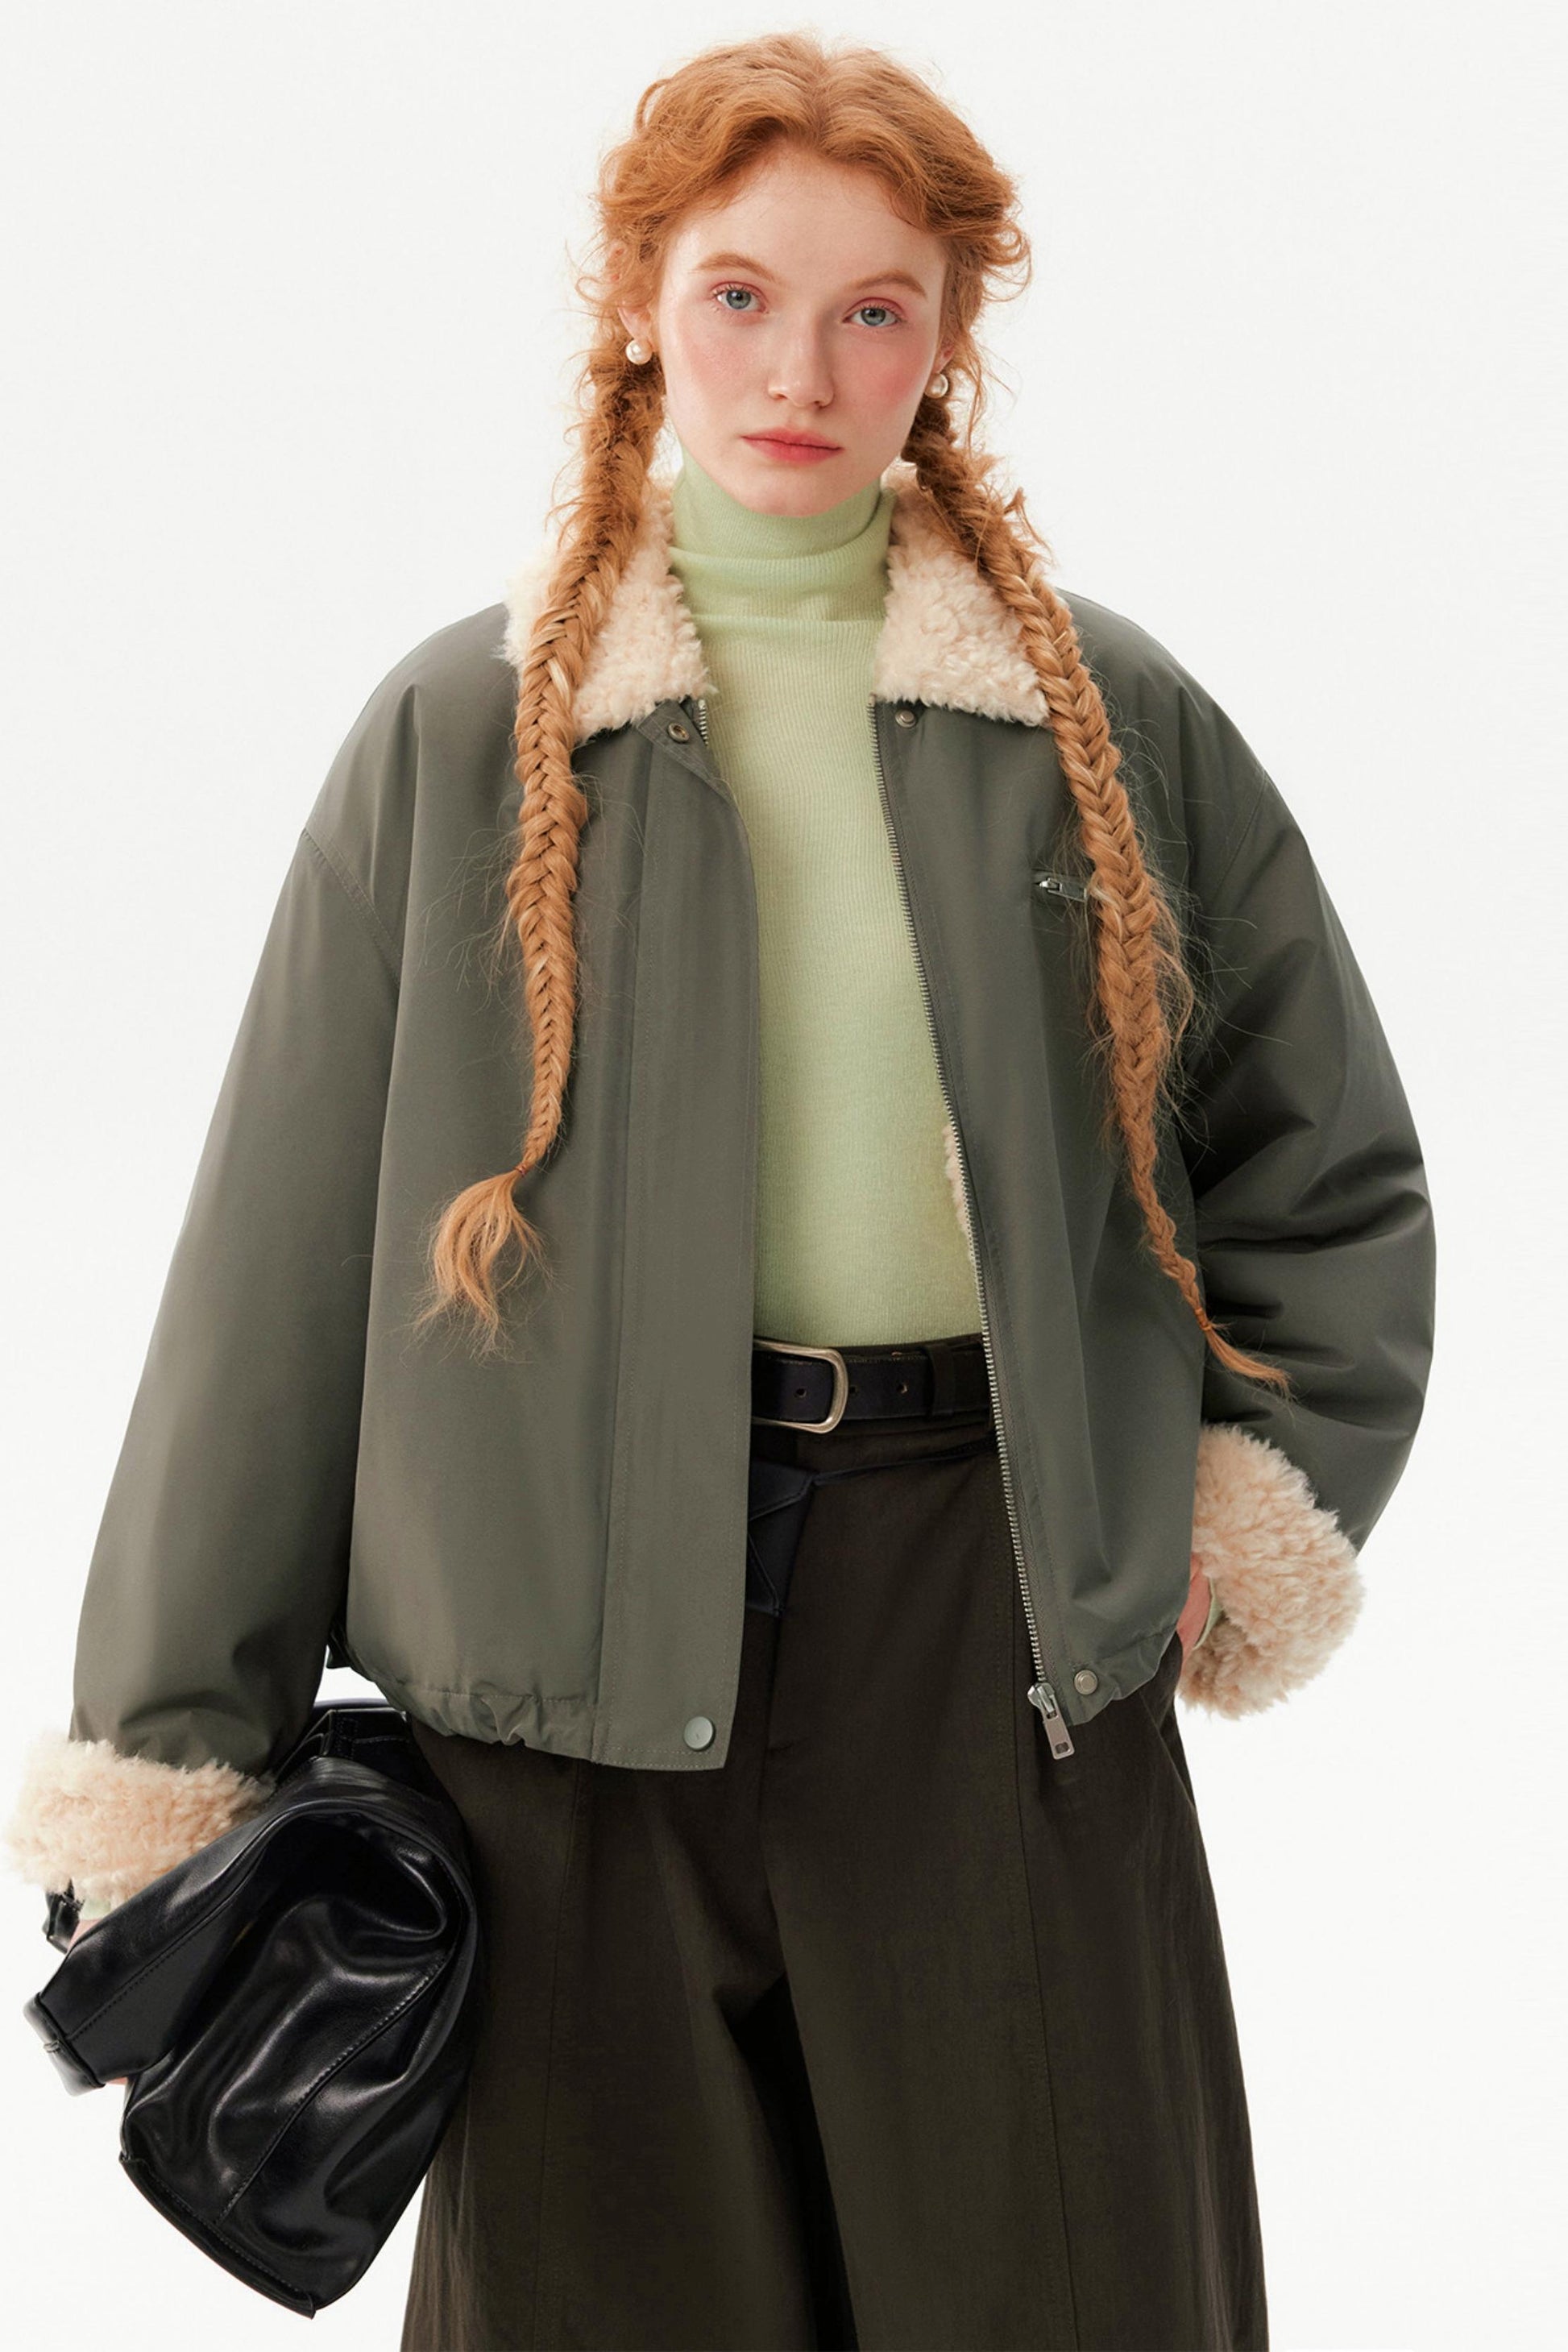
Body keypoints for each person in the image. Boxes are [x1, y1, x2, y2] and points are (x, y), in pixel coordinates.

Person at [5, 30, 1436, 2352]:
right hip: (552, 1672)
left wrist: (1235, 1505)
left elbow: (1330, 1162)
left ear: (948, 338)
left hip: (991, 1634)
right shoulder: (460, 737)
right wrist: (170, 1755)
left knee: (1065, 2285)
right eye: (744, 295)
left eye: (876, 308)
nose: (803, 368)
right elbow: (270, 1277)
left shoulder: (1101, 723)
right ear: (640, 304)